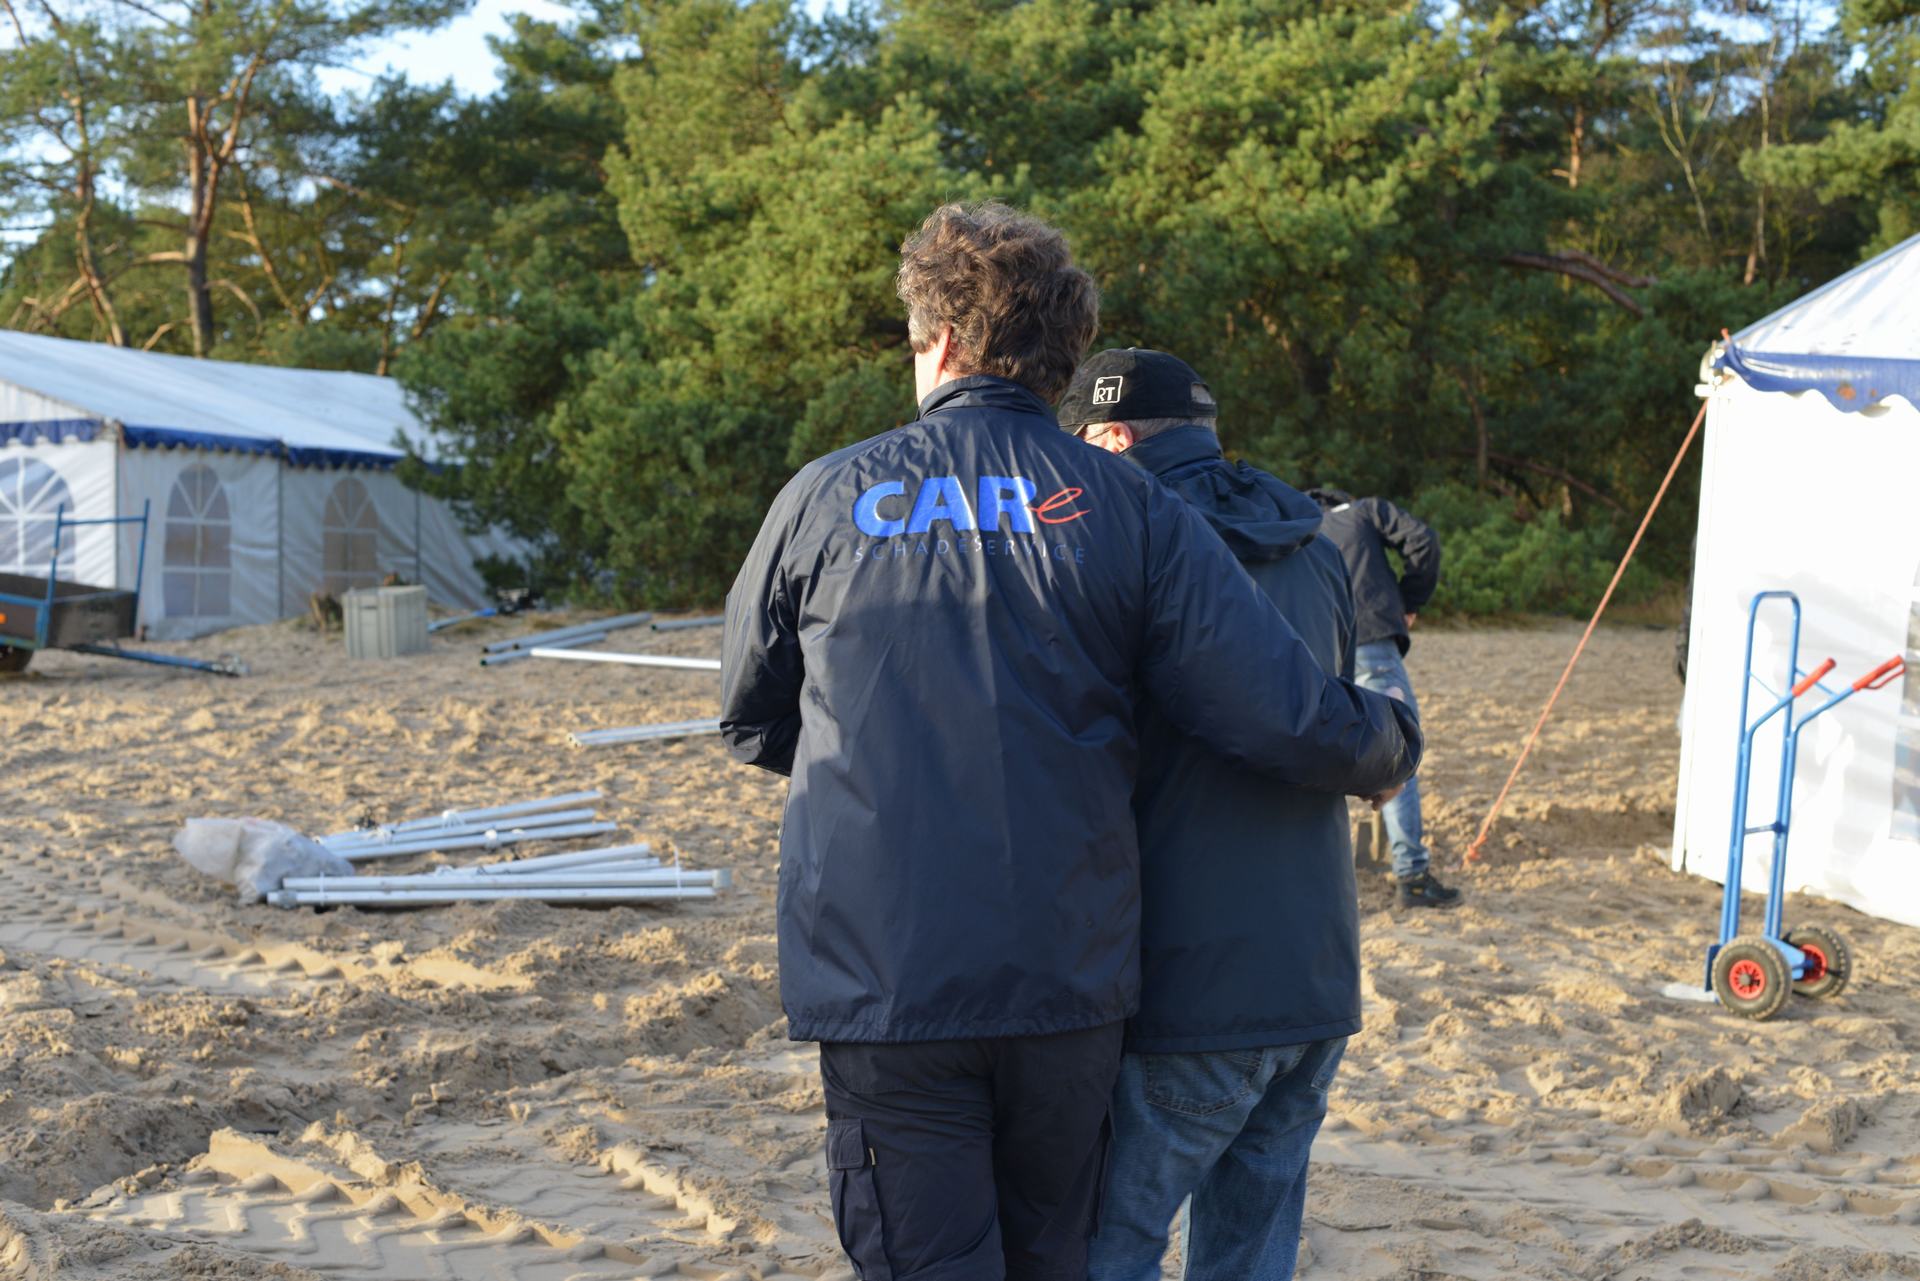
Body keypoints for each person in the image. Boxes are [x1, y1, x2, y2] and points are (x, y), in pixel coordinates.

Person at [719, 202, 1423, 1281]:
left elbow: (751, 713)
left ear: (939, 342)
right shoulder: (1129, 504)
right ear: (1062, 352)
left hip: (886, 972)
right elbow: (1282, 712)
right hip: (1064, 973)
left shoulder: (827, 494)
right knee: (1055, 1256)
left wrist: (879, 755)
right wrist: (1391, 742)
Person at [1061, 348, 1366, 1281]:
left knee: (1111, 1246)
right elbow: (1334, 725)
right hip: (1315, 972)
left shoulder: (1124, 539)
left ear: (1113, 437)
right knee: (1250, 1252)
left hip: (1188, 980)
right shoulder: (1316, 546)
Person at [1308, 486, 1461, 909]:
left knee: (1342, 752)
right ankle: (1412, 875)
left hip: (1315, 650)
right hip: (1371, 640)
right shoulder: (1365, 512)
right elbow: (1423, 541)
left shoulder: (1297, 525)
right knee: (1395, 752)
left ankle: (1364, 861)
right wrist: (1409, 601)